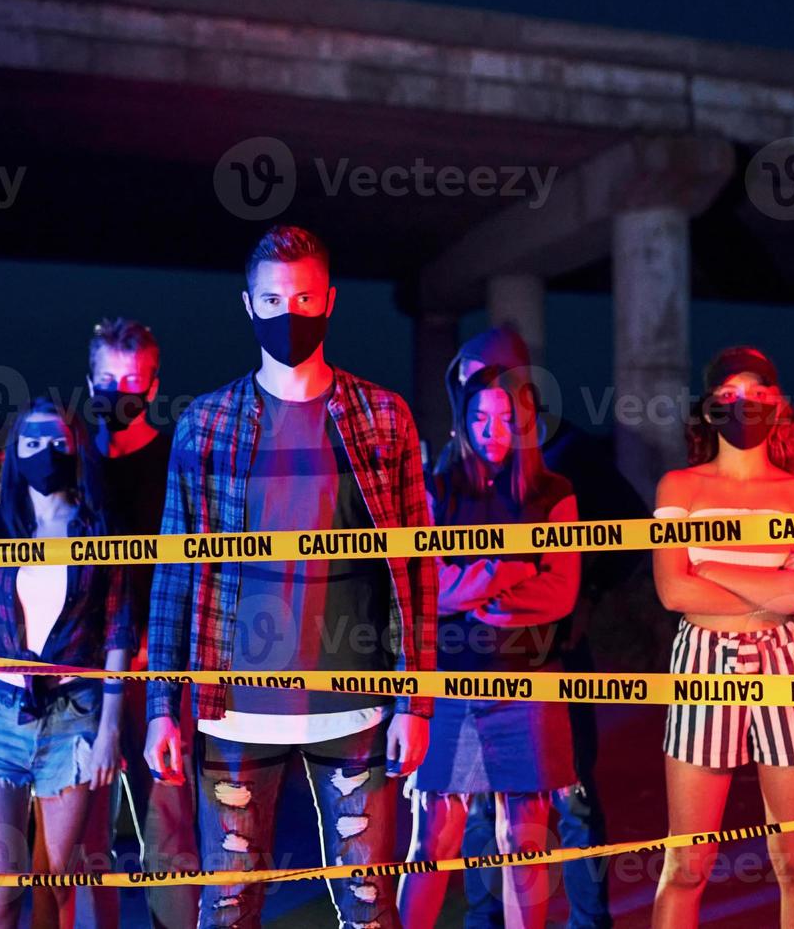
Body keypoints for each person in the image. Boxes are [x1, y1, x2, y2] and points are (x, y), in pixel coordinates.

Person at [144, 224, 437, 929]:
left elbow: (417, 569)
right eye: (273, 300)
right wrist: (161, 705)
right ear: (248, 306)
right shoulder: (206, 426)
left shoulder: (382, 417)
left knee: (370, 910)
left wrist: (418, 701)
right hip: (236, 706)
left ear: (330, 301)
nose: (289, 315)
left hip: (358, 701)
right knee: (230, 905)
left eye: (304, 298)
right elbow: (175, 570)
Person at [650, 346, 794, 929]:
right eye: (729, 395)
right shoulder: (679, 487)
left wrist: (711, 568)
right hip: (702, 659)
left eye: (757, 394)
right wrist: (773, 580)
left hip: (789, 662)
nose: (744, 405)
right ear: (707, 409)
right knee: (686, 861)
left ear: (778, 405)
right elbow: (673, 593)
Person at [438, 326, 614, 929]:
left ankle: (591, 921)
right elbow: (433, 583)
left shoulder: (571, 456)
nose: (479, 399)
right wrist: (503, 580)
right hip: (472, 663)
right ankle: (485, 919)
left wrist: (585, 596)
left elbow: (625, 534)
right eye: (466, 386)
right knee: (483, 811)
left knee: (574, 797)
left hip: (551, 658)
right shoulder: (450, 465)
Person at [399, 364, 580, 929]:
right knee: (434, 835)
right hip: (450, 683)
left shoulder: (554, 493)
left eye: (505, 418)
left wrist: (473, 590)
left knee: (525, 838)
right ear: (462, 423)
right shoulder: (435, 487)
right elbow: (429, 587)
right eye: (479, 417)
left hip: (530, 683)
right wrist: (508, 568)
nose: (492, 430)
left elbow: (560, 592)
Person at [0, 397, 132, 929]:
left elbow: (118, 630)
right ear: (14, 453)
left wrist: (109, 732)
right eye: (31, 442)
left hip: (73, 716)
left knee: (55, 886)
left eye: (56, 442)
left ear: (74, 450)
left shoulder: (99, 530)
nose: (44, 453)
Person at [88, 317, 201, 929]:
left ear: (154, 388)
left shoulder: (176, 461)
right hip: (80, 670)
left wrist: (166, 659)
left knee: (167, 823)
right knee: (82, 833)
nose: (118, 393)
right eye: (107, 380)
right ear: (90, 380)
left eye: (131, 382)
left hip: (157, 672)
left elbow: (194, 569)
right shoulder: (74, 464)